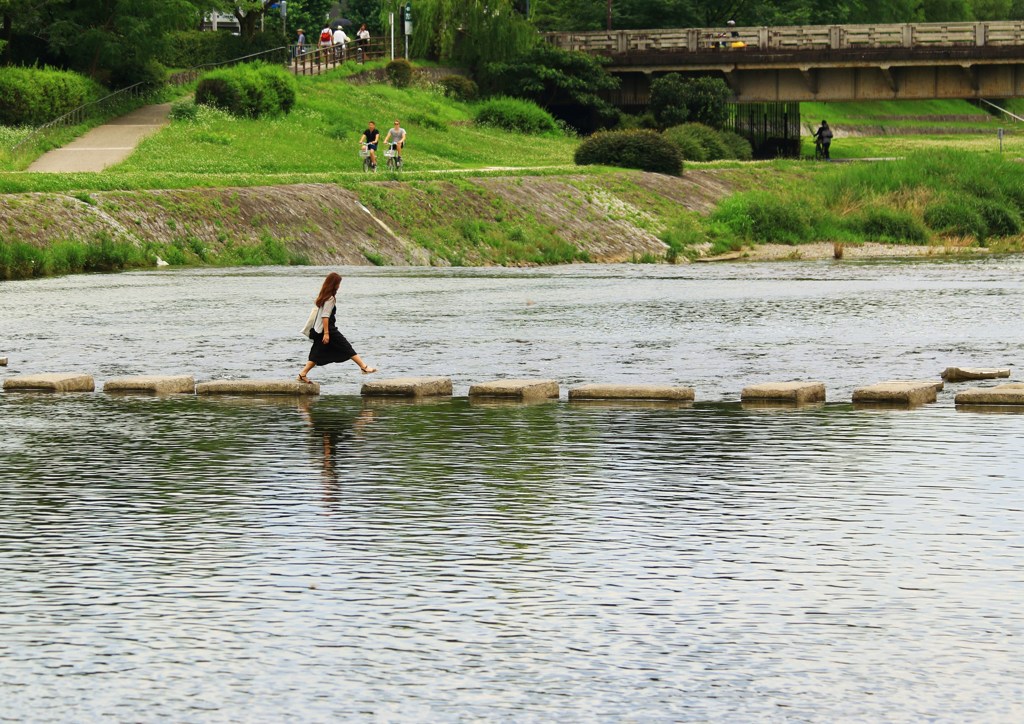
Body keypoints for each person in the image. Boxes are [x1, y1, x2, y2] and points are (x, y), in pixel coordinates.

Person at [298, 272, 376, 383]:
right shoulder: (330, 299)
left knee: (316, 354)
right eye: (338, 283)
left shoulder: (323, 297)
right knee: (346, 346)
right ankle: (364, 367)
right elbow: (325, 316)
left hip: (319, 329)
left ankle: (302, 374)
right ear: (334, 284)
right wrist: (327, 333)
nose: (339, 286)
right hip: (329, 329)